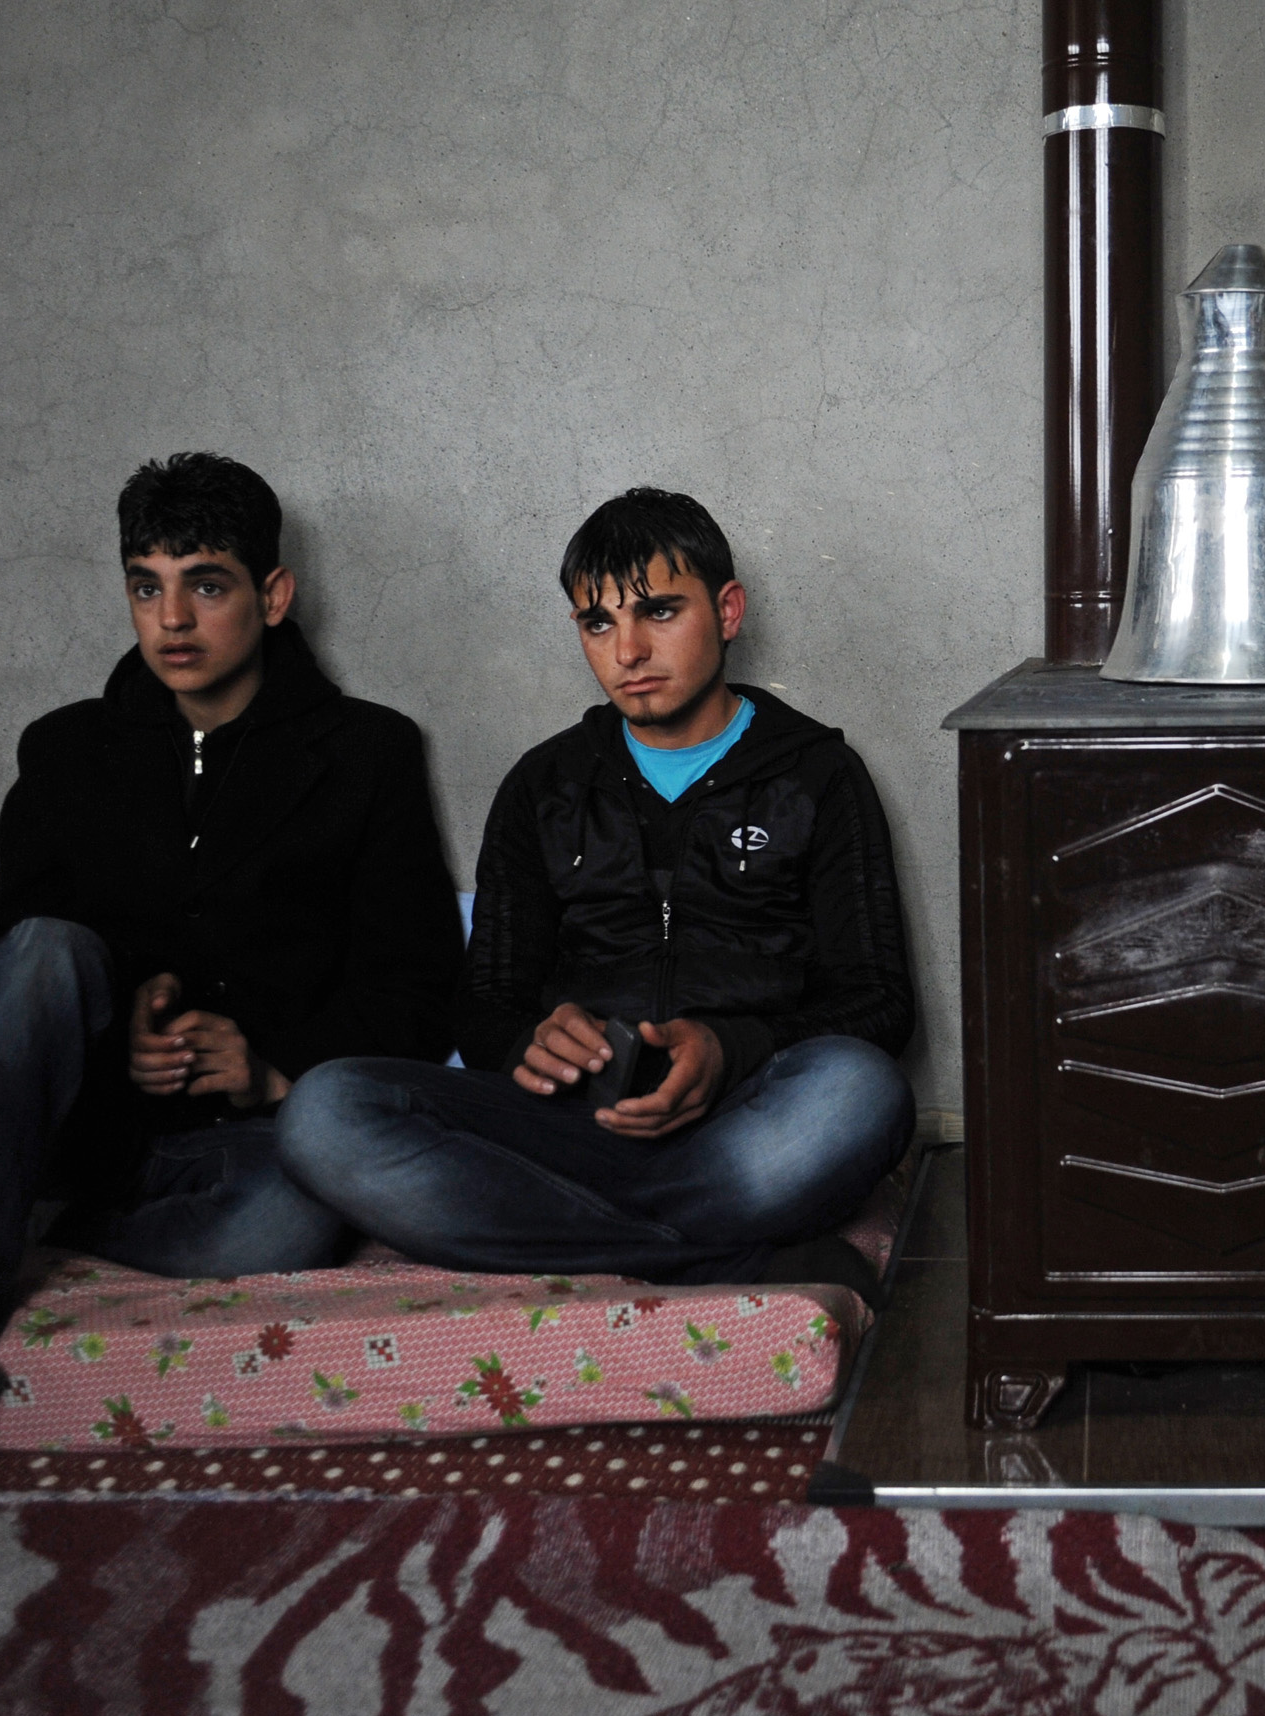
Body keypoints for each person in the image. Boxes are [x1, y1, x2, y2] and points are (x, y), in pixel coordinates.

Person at [0, 454, 464, 1581]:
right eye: (147, 585)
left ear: (275, 596)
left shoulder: (369, 753)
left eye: (207, 583)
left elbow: (420, 985)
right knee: (44, 948)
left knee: (287, 1228)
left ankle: (27, 1213)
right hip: (87, 1106)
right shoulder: (66, 749)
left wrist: (269, 1065)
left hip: (235, 1149)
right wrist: (125, 1002)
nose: (173, 618)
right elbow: (1, 971)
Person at [276, 488, 915, 1298]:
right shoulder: (544, 784)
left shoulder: (817, 775)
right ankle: (714, 1251)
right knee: (326, 1110)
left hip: (746, 1118)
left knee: (861, 1091)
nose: (630, 650)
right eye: (599, 623)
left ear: (727, 610)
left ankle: (579, 1232)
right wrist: (530, 1040)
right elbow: (484, 1005)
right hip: (568, 1127)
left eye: (659, 611)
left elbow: (881, 1003)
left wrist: (731, 1049)